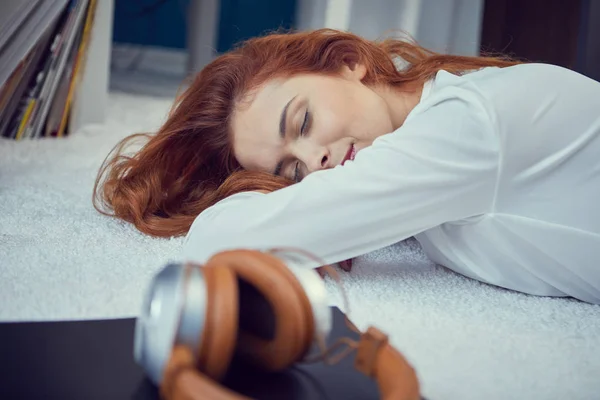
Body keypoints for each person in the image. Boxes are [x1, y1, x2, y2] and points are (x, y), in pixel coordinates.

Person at [93, 29, 600, 304]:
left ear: (347, 62)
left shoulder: (463, 127)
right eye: (290, 172)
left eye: (303, 120)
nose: (314, 162)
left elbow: (218, 240)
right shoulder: (428, 136)